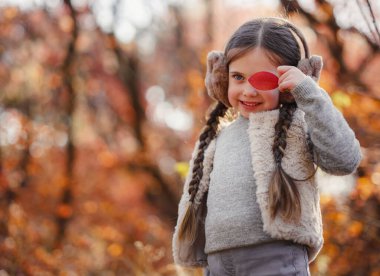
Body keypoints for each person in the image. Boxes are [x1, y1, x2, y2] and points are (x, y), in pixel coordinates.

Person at [172, 17, 362, 276]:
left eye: (263, 80)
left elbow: (344, 160)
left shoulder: (296, 127)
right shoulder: (218, 138)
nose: (249, 91)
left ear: (287, 84)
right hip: (218, 263)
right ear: (221, 77)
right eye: (238, 77)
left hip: (275, 258)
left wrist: (309, 93)